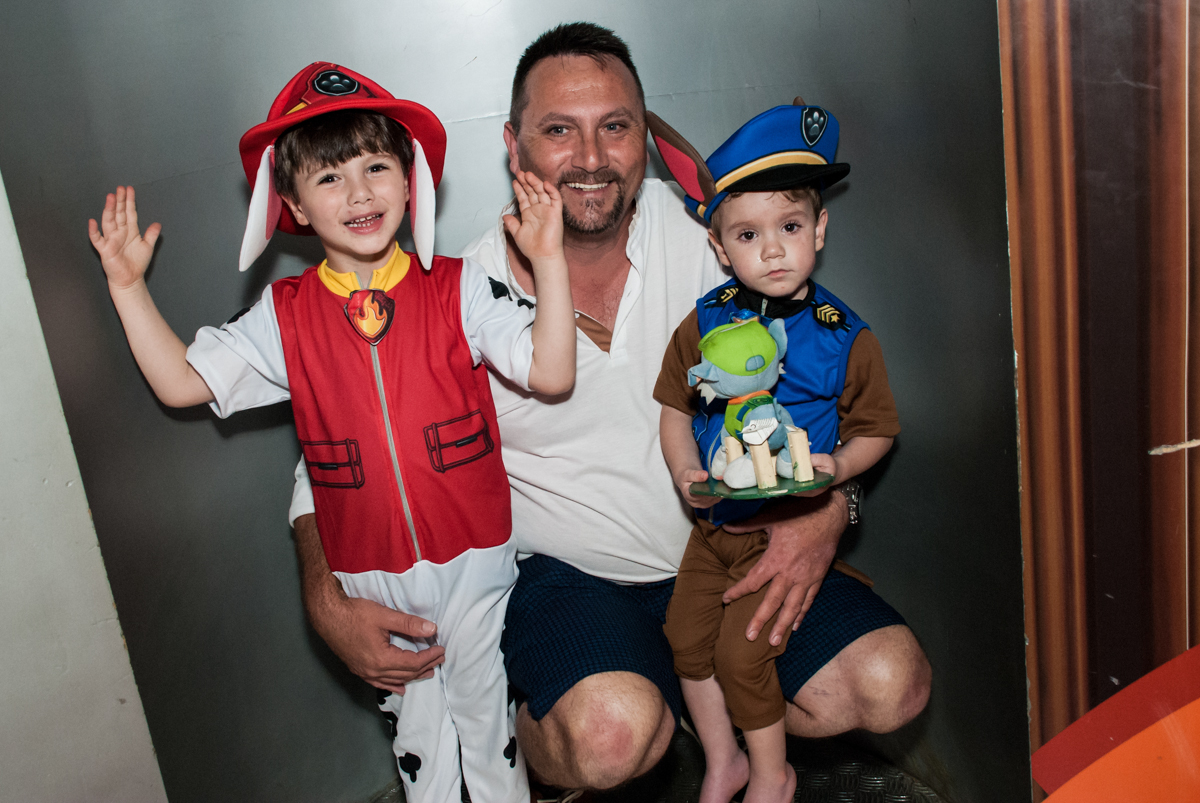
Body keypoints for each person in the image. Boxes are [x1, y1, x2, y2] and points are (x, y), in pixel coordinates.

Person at [292, 23, 931, 796]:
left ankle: (707, 703)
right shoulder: (447, 289)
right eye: (559, 129)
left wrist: (828, 506)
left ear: (642, 138)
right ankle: (547, 712)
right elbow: (326, 460)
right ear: (512, 145)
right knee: (609, 732)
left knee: (889, 681)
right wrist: (328, 602)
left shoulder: (718, 241)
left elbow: (837, 385)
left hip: (733, 544)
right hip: (567, 578)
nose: (591, 158)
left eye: (615, 127)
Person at [87, 62, 577, 803]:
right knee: (421, 742)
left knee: (487, 722)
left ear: (410, 178)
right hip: (369, 571)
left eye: (377, 165)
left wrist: (549, 261)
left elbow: (550, 371)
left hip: (477, 553)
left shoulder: (460, 287)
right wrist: (128, 288)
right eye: (329, 177)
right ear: (292, 205)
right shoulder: (283, 317)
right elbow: (183, 381)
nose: (359, 193)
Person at [650, 104, 900, 803]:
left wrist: (840, 469)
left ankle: (772, 775)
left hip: (784, 529)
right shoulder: (703, 322)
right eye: (749, 234)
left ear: (819, 229)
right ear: (721, 248)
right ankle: (723, 759)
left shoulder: (844, 334)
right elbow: (673, 407)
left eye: (790, 228)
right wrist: (683, 473)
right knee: (684, 637)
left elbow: (878, 428)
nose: (772, 250)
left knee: (740, 653)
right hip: (715, 525)